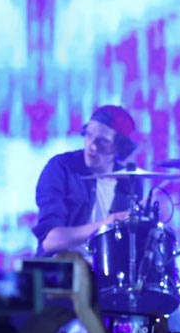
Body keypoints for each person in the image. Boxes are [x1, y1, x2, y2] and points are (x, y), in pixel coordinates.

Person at [32, 105, 141, 255]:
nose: (92, 147)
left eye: (103, 141)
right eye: (88, 135)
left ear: (119, 147)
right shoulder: (62, 168)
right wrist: (106, 225)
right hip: (65, 266)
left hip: (106, 267)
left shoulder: (129, 181)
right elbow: (50, 241)